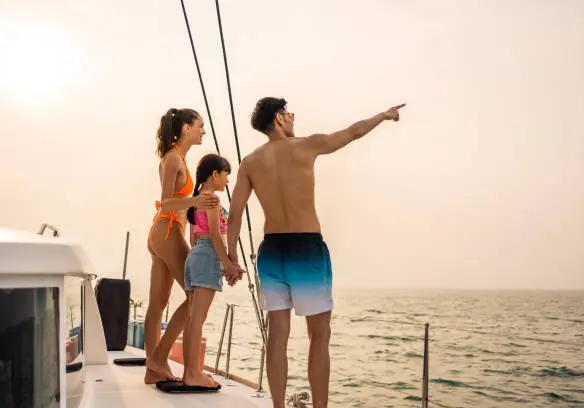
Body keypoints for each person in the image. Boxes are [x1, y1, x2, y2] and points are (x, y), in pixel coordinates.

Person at [225, 97, 405, 408]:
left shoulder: (250, 163)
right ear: (279, 119)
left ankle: (278, 406)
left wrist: (231, 256)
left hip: (273, 251)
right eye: (289, 114)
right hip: (306, 249)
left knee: (277, 336)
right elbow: (352, 133)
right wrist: (384, 115)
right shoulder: (305, 146)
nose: (293, 119)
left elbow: (236, 214)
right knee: (319, 336)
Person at [144, 108, 220, 384]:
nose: (203, 131)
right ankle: (158, 358)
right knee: (194, 297)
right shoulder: (174, 157)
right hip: (166, 230)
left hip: (162, 232)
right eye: (200, 126)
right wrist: (196, 202)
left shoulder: (177, 157)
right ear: (186, 128)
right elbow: (165, 201)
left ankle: (154, 367)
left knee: (158, 303)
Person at [182, 154, 244, 388]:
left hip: (195, 255)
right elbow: (216, 236)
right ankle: (193, 374)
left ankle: (190, 372)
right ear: (214, 174)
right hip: (207, 254)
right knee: (198, 319)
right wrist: (228, 264)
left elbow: (194, 235)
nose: (228, 179)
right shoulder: (213, 200)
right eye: (226, 173)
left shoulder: (196, 199)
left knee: (192, 318)